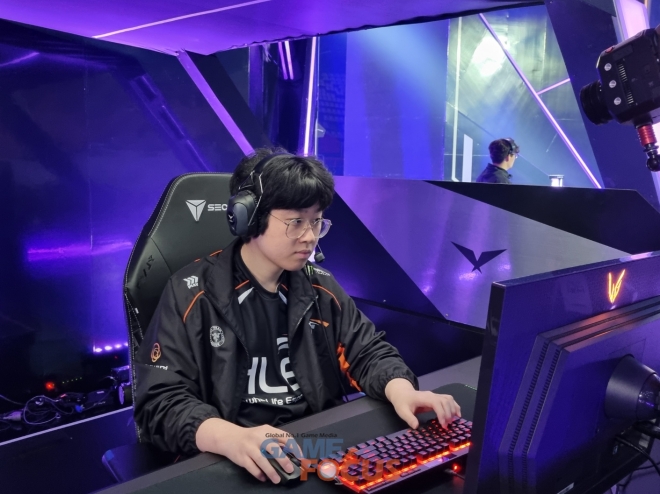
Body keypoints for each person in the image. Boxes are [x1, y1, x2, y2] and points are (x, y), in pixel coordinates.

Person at [133, 149, 461, 484]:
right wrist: (229, 437)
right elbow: (161, 402)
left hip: (314, 445)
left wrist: (401, 390)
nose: (310, 236)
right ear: (249, 217)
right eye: (296, 222)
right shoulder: (191, 293)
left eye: (316, 221)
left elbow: (368, 352)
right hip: (236, 455)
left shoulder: (320, 287)